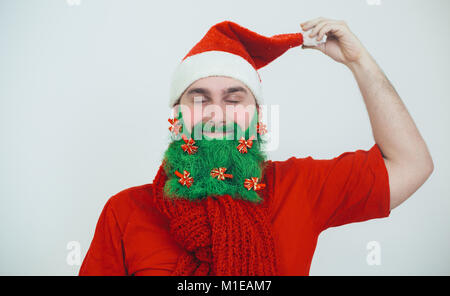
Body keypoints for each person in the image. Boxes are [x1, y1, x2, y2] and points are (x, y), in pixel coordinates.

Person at [78, 18, 434, 276]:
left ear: (257, 115)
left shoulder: (300, 188)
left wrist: (359, 62)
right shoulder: (124, 212)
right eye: (199, 99)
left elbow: (411, 163)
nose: (217, 114)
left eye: (234, 99)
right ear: (177, 116)